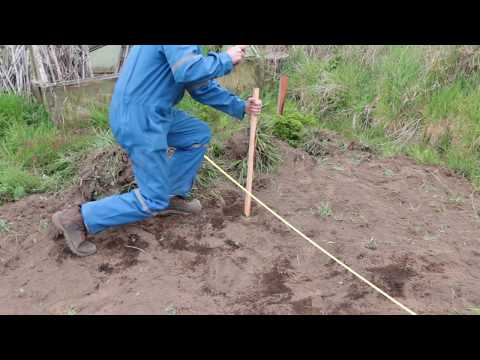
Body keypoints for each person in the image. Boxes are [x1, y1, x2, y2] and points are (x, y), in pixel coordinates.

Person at [52, 45, 263, 257]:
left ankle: (170, 196)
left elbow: (198, 85)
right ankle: (78, 218)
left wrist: (240, 106)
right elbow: (188, 70)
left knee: (196, 135)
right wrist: (225, 59)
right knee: (152, 198)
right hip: (139, 118)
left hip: (153, 111)